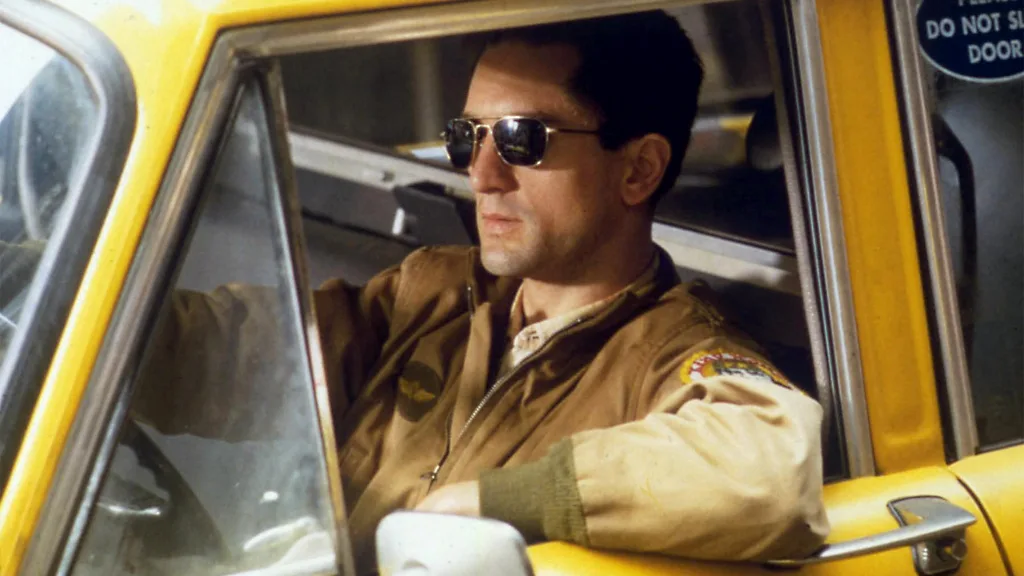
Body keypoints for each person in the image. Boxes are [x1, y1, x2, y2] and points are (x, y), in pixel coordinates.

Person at [139, 9, 828, 572]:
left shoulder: (670, 354)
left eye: (523, 139)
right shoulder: (433, 292)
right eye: (467, 136)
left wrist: (496, 503)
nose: (481, 173)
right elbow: (222, 351)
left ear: (639, 169)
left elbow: (772, 468)